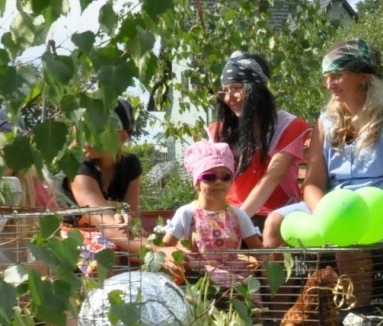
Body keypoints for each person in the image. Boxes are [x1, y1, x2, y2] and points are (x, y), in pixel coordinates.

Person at [264, 40, 383, 246]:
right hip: (336, 205)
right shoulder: (325, 122)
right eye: (327, 77)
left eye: (337, 76)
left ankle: (352, 280)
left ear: (363, 76)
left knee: (349, 226)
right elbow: (312, 184)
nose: (329, 84)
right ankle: (285, 280)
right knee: (274, 223)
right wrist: (326, 213)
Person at [209, 51, 310, 225]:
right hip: (231, 210)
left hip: (277, 213)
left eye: (236, 89)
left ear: (256, 90)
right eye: (225, 90)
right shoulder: (219, 131)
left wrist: (237, 223)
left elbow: (272, 178)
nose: (228, 98)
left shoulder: (287, 126)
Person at [157, 141, 262, 287]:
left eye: (226, 177)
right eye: (209, 177)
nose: (218, 182)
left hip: (235, 280)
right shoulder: (187, 213)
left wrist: (264, 259)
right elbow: (165, 248)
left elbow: (258, 249)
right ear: (196, 183)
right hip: (196, 280)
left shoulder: (239, 215)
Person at [62, 98, 145, 257]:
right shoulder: (77, 165)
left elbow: (130, 214)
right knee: (108, 257)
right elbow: (104, 222)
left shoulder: (130, 165)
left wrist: (127, 217)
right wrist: (157, 251)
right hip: (75, 238)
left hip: (118, 235)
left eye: (97, 130)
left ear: (122, 136)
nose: (86, 137)